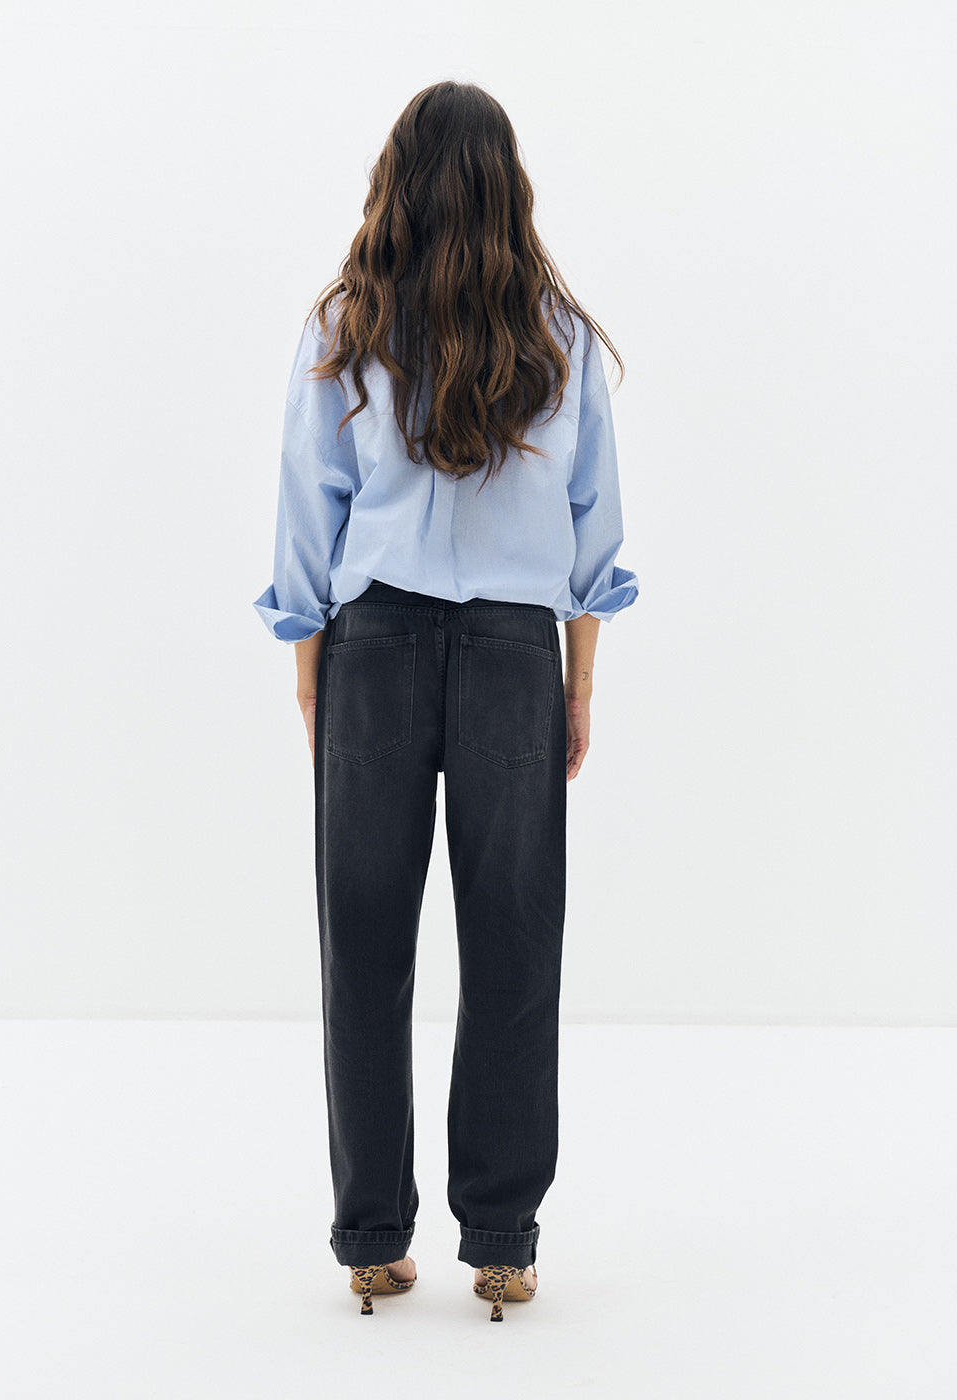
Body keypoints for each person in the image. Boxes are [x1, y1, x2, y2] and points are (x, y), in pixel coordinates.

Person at [252, 79, 639, 1321]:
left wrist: (307, 660)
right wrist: (578, 680)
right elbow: (593, 523)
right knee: (515, 945)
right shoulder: (557, 334)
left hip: (369, 645)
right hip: (517, 651)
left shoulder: (349, 321)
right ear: (507, 184)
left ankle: (372, 1238)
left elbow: (307, 504)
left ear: (397, 182)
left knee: (361, 943)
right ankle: (503, 1242)